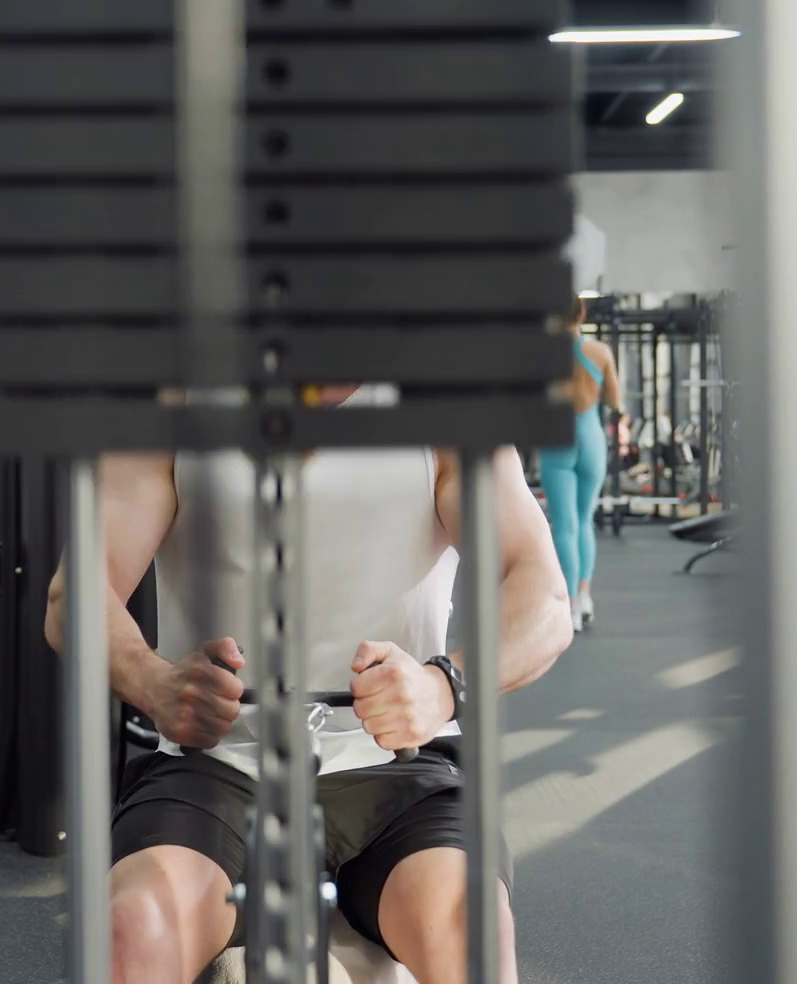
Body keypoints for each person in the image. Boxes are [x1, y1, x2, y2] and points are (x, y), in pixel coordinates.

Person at [44, 398, 574, 984]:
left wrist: (442, 684)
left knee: (474, 938)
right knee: (130, 937)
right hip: (216, 765)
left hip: (398, 770)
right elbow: (75, 595)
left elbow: (546, 599)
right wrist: (155, 682)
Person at [536, 297, 622, 632]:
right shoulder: (600, 352)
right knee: (584, 520)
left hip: (557, 438)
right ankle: (585, 597)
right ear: (582, 313)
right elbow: (615, 400)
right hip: (591, 438)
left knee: (564, 525)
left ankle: (569, 605)